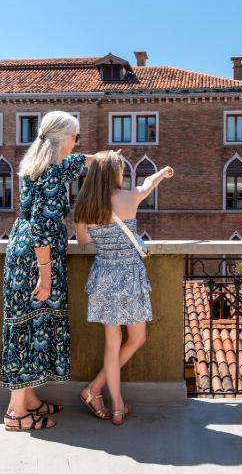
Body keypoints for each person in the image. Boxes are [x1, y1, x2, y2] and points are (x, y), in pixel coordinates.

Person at [1, 111, 94, 431]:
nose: (76, 143)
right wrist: (45, 274)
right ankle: (16, 413)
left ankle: (29, 400)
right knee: (25, 328)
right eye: (75, 137)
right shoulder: (50, 175)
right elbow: (41, 228)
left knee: (32, 322)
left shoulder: (40, 165)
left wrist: (106, 158)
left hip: (24, 254)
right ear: (62, 139)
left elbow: (80, 162)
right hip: (36, 260)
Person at [74, 150, 174, 425]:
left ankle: (110, 403)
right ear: (115, 174)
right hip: (129, 275)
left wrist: (105, 241)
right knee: (136, 339)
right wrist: (162, 173)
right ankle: (97, 392)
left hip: (103, 275)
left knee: (111, 344)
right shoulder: (129, 198)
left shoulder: (84, 206)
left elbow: (82, 241)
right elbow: (147, 185)